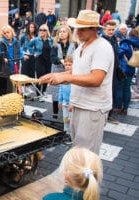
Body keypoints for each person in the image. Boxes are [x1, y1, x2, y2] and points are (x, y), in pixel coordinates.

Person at [38, 10, 114, 154]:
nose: (78, 32)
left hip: (93, 108)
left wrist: (65, 78)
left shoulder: (102, 48)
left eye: (82, 29)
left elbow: (96, 78)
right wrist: (57, 75)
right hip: (78, 104)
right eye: (77, 28)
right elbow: (77, 72)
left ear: (95, 29)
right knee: (77, 149)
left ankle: (88, 177)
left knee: (86, 154)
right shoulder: (81, 46)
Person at [48, 25, 77, 118]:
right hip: (58, 69)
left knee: (69, 90)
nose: (62, 33)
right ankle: (55, 112)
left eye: (64, 31)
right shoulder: (55, 44)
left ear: (68, 33)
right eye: (60, 32)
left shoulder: (74, 44)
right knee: (56, 91)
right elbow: (52, 57)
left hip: (70, 70)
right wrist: (60, 60)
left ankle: (69, 112)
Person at [101, 20, 123, 124]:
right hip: (105, 70)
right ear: (104, 29)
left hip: (114, 69)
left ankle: (108, 115)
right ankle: (104, 115)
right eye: (109, 30)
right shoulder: (102, 40)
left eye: (113, 30)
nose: (111, 32)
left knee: (112, 92)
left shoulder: (114, 39)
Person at [114, 28, 139, 115]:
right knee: (127, 88)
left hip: (123, 68)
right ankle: (125, 108)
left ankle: (118, 107)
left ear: (129, 35)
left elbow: (119, 53)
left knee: (120, 88)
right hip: (132, 68)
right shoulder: (137, 44)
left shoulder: (126, 43)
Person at [58, 56, 73, 141]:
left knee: (71, 120)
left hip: (72, 104)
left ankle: (71, 135)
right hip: (64, 103)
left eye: (70, 65)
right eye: (66, 65)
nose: (67, 66)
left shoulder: (75, 77)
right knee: (65, 119)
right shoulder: (63, 75)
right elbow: (60, 89)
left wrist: (72, 103)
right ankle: (66, 133)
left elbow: (75, 91)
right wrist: (60, 101)